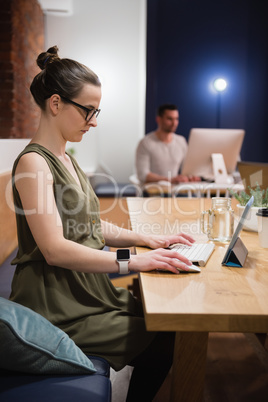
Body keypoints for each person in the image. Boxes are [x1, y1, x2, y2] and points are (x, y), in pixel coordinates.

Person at [10, 46, 196, 401]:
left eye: (97, 111)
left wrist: (149, 238)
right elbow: (53, 250)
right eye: (88, 110)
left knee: (169, 322)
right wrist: (132, 260)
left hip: (84, 290)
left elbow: (91, 226)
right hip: (55, 302)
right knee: (163, 333)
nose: (94, 121)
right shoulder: (34, 164)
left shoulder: (66, 156)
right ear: (55, 104)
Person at [135, 104, 200, 184]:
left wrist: (190, 177)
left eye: (176, 119)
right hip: (152, 191)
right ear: (159, 119)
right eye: (170, 119)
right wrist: (169, 180)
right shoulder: (145, 143)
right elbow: (142, 175)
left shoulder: (181, 141)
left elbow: (187, 169)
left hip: (175, 192)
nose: (174, 123)